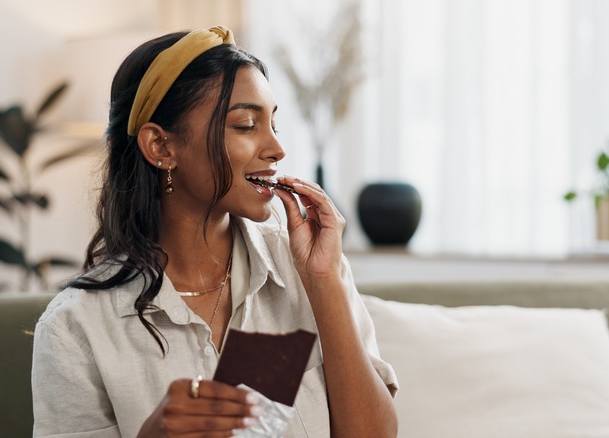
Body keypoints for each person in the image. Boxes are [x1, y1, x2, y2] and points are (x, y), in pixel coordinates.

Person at [31, 25, 398, 437]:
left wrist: (324, 281)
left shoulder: (309, 267)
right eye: (245, 125)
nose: (276, 148)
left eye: (273, 124)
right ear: (162, 147)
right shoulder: (75, 327)